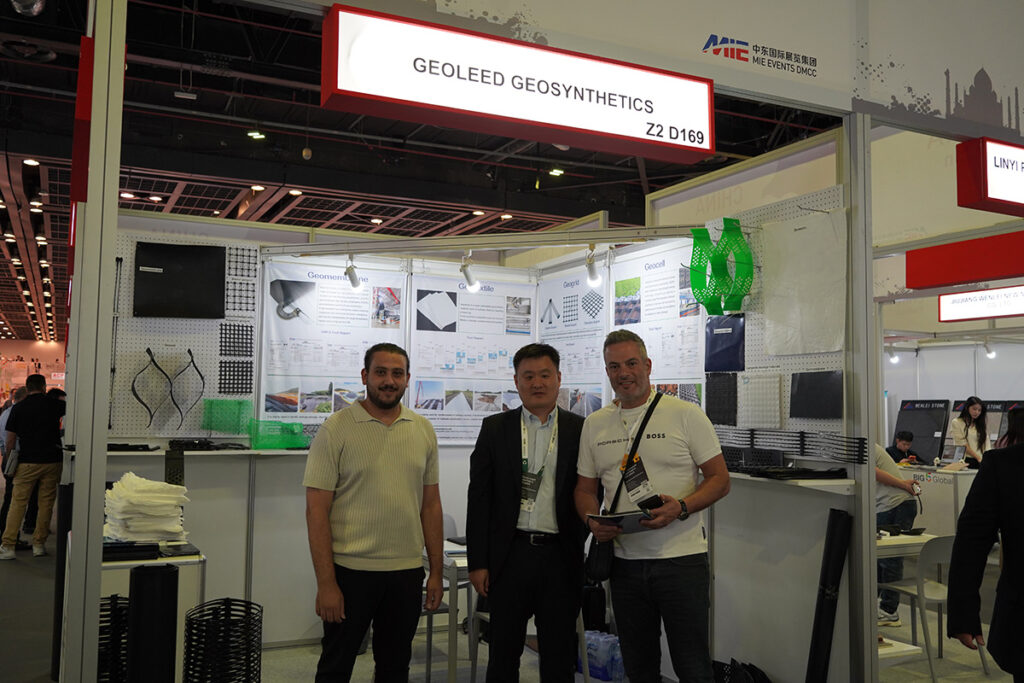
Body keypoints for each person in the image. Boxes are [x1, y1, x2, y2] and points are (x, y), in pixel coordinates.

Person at [574, 330, 730, 683]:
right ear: (607, 371)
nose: (623, 373)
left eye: (631, 363)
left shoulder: (685, 414)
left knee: (693, 667)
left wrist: (681, 507)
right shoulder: (595, 424)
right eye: (614, 366)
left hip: (681, 562)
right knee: (639, 667)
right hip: (624, 565)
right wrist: (591, 521)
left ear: (647, 365)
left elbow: (720, 479)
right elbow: (584, 489)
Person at [303, 343, 444, 682]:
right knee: (336, 667)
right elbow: (316, 511)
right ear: (365, 376)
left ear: (407, 379)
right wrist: (326, 584)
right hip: (350, 573)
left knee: (395, 668)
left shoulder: (422, 429)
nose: (389, 381)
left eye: (397, 373)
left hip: (406, 573)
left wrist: (436, 572)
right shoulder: (336, 428)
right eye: (381, 372)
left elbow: (430, 505)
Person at [466, 343, 586, 682]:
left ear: (558, 378)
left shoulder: (581, 429)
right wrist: (478, 562)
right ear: (516, 381)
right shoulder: (495, 428)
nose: (537, 383)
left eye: (545, 375)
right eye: (528, 376)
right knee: (503, 656)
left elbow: (591, 491)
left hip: (560, 558)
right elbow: (479, 499)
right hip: (509, 558)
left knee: (559, 658)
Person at [947, 441, 1023, 680]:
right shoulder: (1005, 464)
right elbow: (971, 542)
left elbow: (971, 541)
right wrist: (963, 614)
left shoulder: (1003, 464)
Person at [0, 374, 66, 559]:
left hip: (27, 461)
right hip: (52, 460)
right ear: (44, 387)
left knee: (18, 503)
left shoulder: (18, 408)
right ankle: (39, 545)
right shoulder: (55, 405)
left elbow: (11, 438)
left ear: (27, 388)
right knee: (46, 504)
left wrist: (9, 459)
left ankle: (8, 546)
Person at [874, 443, 919, 626]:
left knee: (890, 559)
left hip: (895, 504)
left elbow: (873, 472)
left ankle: (889, 611)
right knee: (879, 559)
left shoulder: (862, 443)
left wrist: (902, 484)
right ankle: (879, 606)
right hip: (889, 504)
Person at [0, 385, 38, 549]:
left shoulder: (5, 413)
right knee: (14, 501)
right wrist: (11, 460)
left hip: (8, 457)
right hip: (14, 458)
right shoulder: (16, 413)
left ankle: (7, 535)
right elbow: (11, 440)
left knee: (10, 499)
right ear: (25, 398)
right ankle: (9, 538)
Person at [951, 396, 988, 468]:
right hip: (966, 460)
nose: (977, 412)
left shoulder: (980, 424)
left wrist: (987, 458)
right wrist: (978, 458)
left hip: (981, 460)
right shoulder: (957, 422)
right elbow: (963, 444)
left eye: (979, 410)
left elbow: (986, 443)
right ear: (967, 408)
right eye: (974, 409)